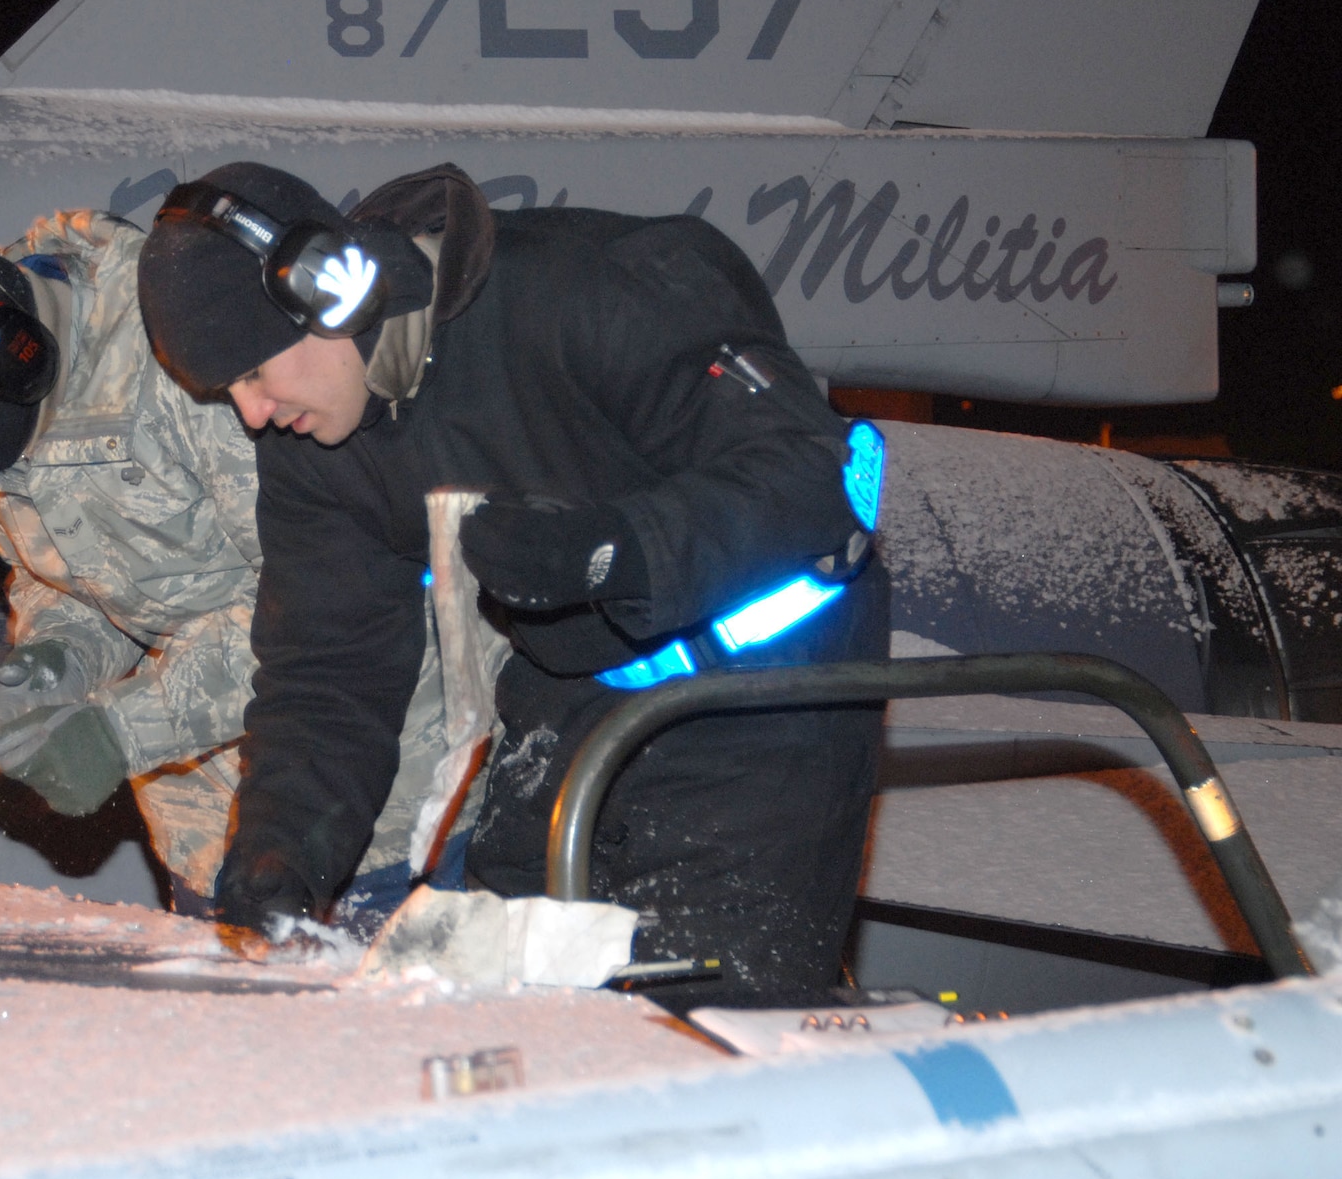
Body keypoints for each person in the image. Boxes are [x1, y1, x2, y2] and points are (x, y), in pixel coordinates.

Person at [137, 162, 889, 1003]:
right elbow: (328, 667)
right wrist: (282, 847)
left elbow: (821, 473)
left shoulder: (600, 291)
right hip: (565, 703)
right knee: (499, 1013)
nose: (252, 413)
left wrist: (615, 552)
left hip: (760, 712)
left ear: (329, 291)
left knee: (692, 1034)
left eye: (253, 372)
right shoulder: (318, 451)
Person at [0, 208, 465, 922]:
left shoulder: (181, 359)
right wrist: (58, 653)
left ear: (1, 350)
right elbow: (68, 575)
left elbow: (317, 611)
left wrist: (120, 731)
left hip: (372, 820)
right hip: (210, 843)